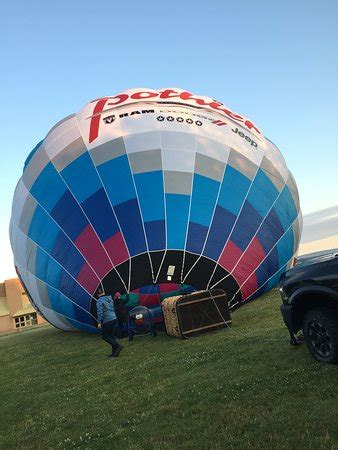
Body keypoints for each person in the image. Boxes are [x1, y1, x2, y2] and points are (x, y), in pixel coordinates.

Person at [96, 290, 123, 358]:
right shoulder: (110, 298)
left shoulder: (99, 301)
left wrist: (99, 322)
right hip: (113, 318)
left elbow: (100, 312)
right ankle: (114, 353)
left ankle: (118, 346)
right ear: (104, 292)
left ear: (98, 295)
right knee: (111, 335)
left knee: (105, 336)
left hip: (107, 320)